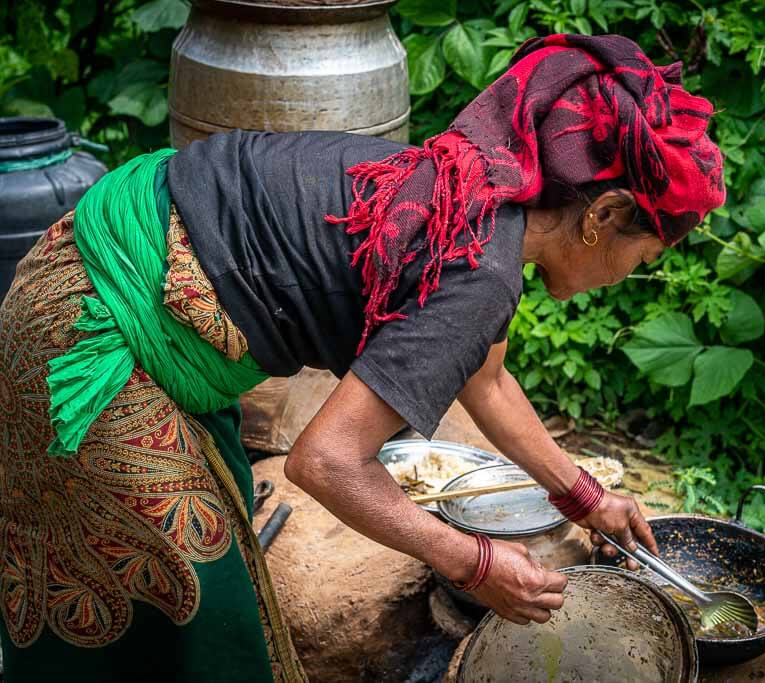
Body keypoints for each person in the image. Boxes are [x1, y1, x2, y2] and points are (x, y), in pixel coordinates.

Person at [0, 34, 725, 682]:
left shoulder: (479, 197)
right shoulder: (483, 273)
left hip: (112, 251)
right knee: (195, 611)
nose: (632, 272)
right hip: (86, 339)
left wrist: (587, 497)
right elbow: (324, 461)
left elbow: (489, 378)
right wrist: (471, 562)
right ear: (602, 215)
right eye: (645, 255)